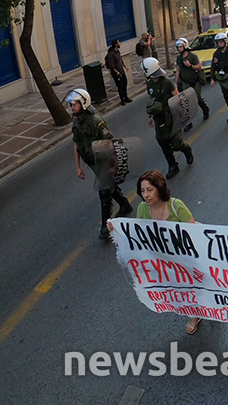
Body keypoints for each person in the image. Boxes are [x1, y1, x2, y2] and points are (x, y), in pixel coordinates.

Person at [108, 170, 202, 334]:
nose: (146, 195)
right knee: (181, 288)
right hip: (164, 259)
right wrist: (117, 229)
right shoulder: (143, 209)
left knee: (197, 285)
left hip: (185, 256)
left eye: (149, 190)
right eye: (143, 191)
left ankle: (209, 309)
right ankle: (194, 314)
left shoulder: (176, 205)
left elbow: (192, 231)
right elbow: (138, 234)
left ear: (159, 188)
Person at [67, 88, 133, 240]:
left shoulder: (96, 121)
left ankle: (105, 227)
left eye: (75, 104)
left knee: (104, 191)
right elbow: (76, 145)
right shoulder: (76, 122)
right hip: (91, 162)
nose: (72, 107)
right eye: (71, 105)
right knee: (108, 185)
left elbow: (110, 143)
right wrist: (78, 167)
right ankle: (124, 204)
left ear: (84, 103)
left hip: (104, 161)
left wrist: (112, 165)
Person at [141, 57, 194, 180]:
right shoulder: (149, 83)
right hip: (159, 119)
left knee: (176, 143)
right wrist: (150, 115)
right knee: (162, 142)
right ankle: (172, 165)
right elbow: (151, 99)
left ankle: (186, 150)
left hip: (171, 117)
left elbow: (178, 98)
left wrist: (181, 117)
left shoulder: (167, 83)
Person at [174, 38, 210, 131]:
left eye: (180, 47)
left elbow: (199, 66)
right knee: (187, 103)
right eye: (177, 47)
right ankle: (189, 123)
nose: (179, 49)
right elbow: (178, 71)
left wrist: (190, 65)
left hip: (194, 82)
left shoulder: (193, 56)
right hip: (185, 83)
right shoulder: (179, 58)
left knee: (197, 98)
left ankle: (205, 109)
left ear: (185, 46)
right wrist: (175, 83)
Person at [105, 39, 132, 106]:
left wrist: (125, 66)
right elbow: (111, 65)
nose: (120, 43)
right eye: (118, 42)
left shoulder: (118, 52)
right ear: (116, 44)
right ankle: (122, 99)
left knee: (124, 83)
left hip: (121, 71)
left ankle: (126, 97)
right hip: (116, 73)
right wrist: (116, 72)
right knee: (120, 86)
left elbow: (120, 60)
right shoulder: (111, 54)